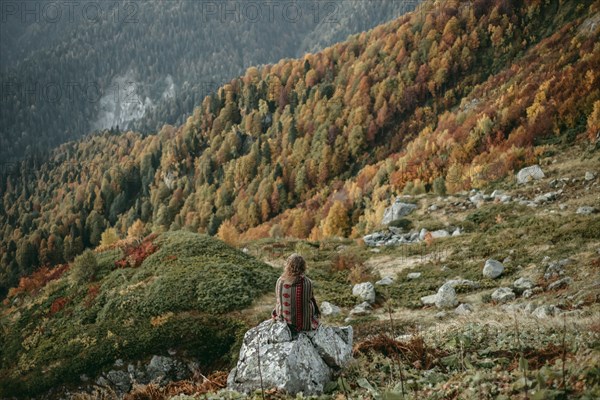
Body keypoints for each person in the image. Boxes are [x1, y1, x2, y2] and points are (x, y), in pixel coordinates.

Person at [272, 253, 320, 337]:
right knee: (311, 302)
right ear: (303, 266)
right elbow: (310, 298)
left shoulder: (280, 281)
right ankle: (305, 319)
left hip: (285, 320)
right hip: (303, 324)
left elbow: (278, 298)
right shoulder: (307, 282)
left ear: (288, 266)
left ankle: (284, 314)